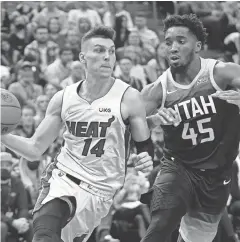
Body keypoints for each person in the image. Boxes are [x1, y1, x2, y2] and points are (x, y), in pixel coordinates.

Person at [1, 25, 153, 242]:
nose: (107, 57)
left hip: (101, 191)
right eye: (99, 50)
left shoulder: (129, 97)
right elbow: (35, 150)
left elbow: (145, 146)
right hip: (63, 178)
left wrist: (146, 158)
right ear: (83, 57)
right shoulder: (63, 98)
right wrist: (2, 135)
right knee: (43, 235)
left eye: (111, 51)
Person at [140, 14, 240, 242]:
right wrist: (153, 121)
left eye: (181, 41)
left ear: (199, 46)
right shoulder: (157, 89)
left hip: (217, 174)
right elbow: (129, 124)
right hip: (178, 167)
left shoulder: (221, 72)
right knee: (162, 223)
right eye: (168, 42)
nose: (173, 48)